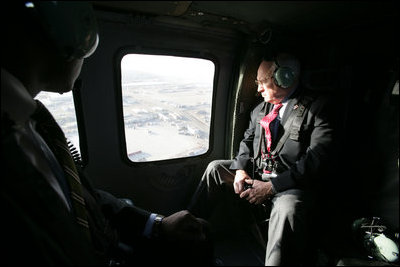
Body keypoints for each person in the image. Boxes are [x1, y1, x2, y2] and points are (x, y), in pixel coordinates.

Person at [1, 2, 211, 266]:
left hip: (109, 244)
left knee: (198, 233)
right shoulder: (17, 128)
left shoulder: (32, 120)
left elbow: (84, 198)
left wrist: (155, 224)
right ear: (71, 29)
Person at [188, 50, 336, 265]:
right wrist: (239, 169)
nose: (257, 89)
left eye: (262, 82)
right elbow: (247, 142)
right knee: (216, 169)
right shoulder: (260, 110)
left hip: (290, 183)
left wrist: (272, 187)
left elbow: (317, 159)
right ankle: (184, 230)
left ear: (285, 77)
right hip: (258, 173)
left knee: (288, 208)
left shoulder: (318, 108)